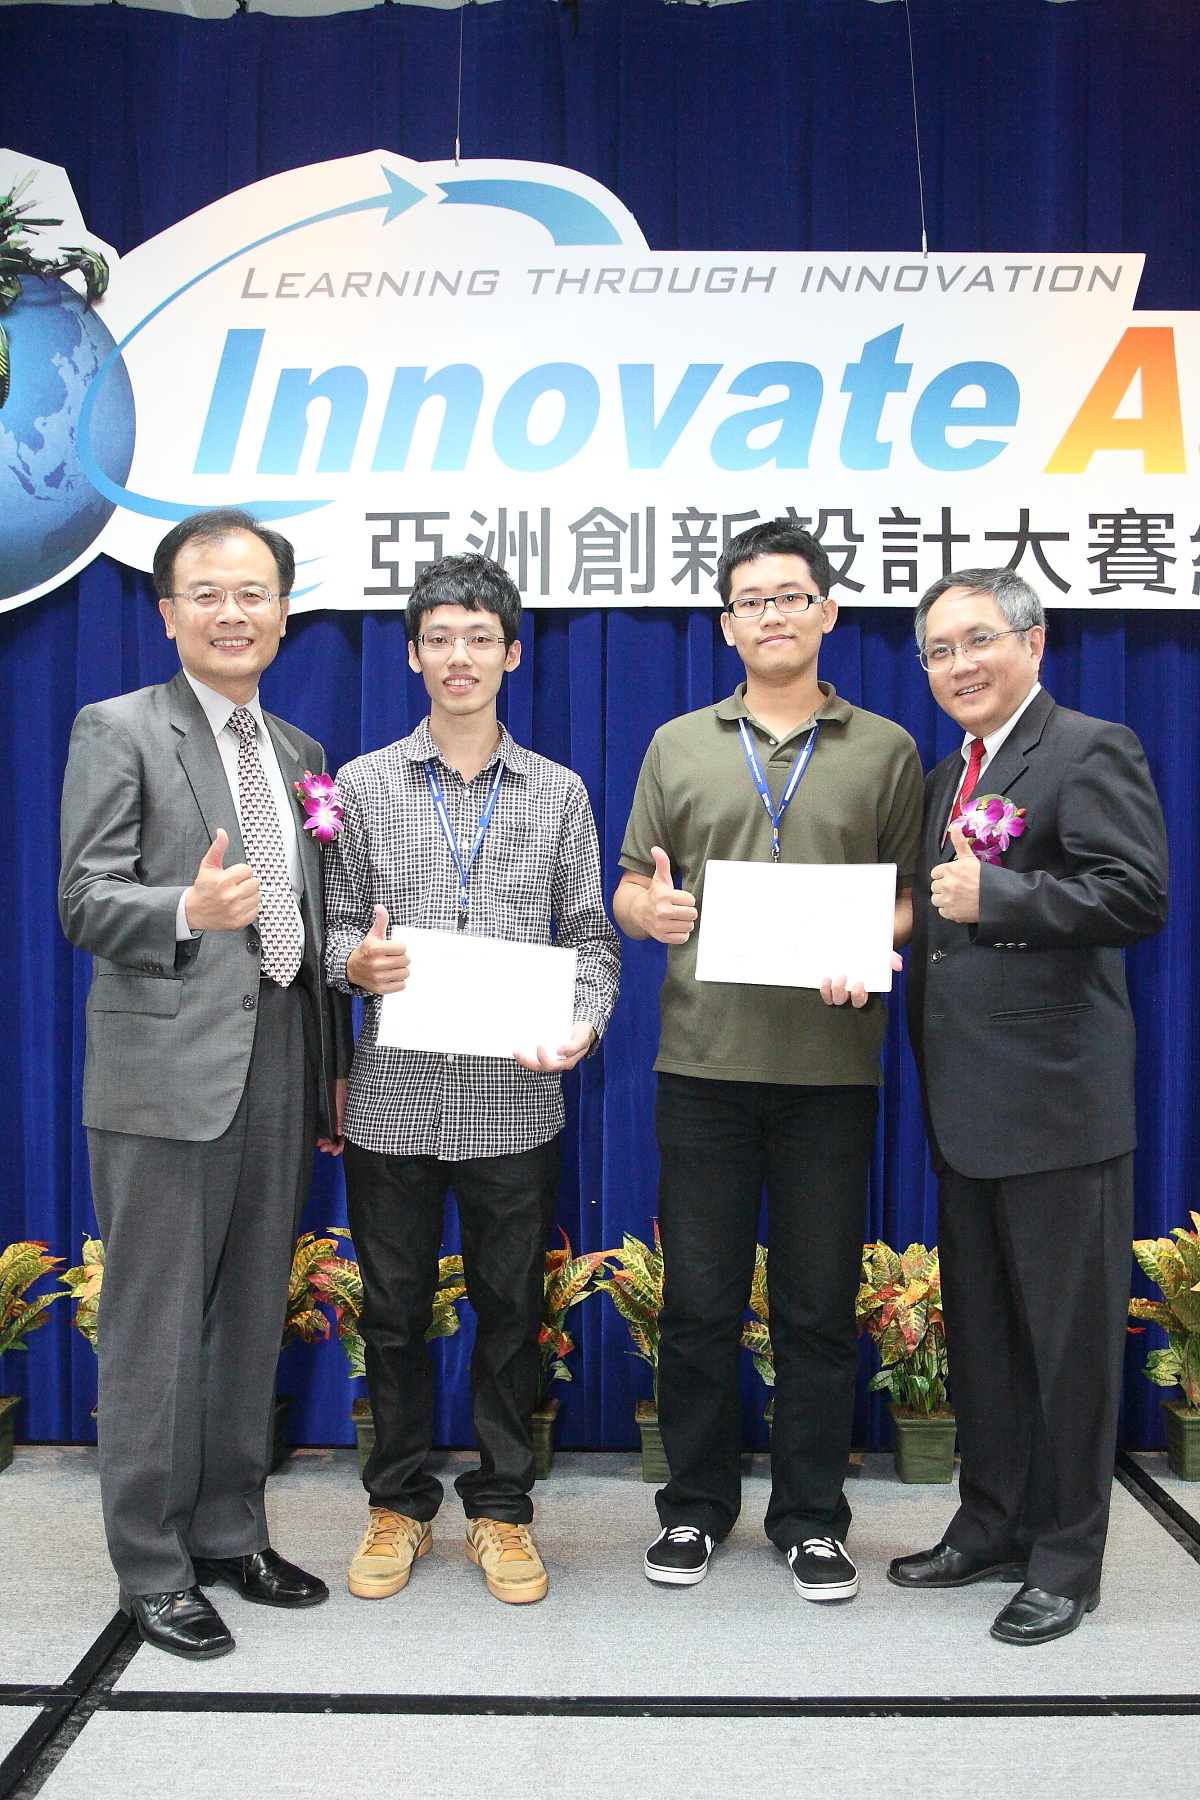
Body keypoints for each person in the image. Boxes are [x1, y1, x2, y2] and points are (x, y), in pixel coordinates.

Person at [59, 508, 350, 1660]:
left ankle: (231, 1531)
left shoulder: (302, 754)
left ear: (284, 611)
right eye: (208, 593)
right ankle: (152, 1564)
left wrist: (331, 1064)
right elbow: (83, 898)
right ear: (169, 611)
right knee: (156, 1324)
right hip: (167, 1070)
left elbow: (311, 921)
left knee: (249, 1316)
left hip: (281, 1056)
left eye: (253, 593)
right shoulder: (118, 728)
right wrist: (186, 905)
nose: (233, 613)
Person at [613, 518, 922, 1601]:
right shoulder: (678, 742)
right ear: (727, 625)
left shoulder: (886, 748)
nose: (773, 615)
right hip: (703, 1066)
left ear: (827, 613)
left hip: (830, 1069)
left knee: (817, 1309)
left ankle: (811, 1519)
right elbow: (630, 885)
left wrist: (868, 947)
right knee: (698, 1304)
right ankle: (694, 1510)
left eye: (792, 596)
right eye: (753, 601)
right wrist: (650, 911)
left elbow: (911, 899)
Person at [324, 553, 619, 1608]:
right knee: (393, 1314)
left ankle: (501, 1509)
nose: (460, 656)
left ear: (511, 655)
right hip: (392, 1101)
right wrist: (353, 964)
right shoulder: (360, 786)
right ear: (413, 655)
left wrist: (584, 1023)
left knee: (510, 1314)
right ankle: (397, 1503)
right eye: (440, 638)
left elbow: (593, 940)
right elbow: (324, 933)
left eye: (480, 638)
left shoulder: (559, 793)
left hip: (515, 1102)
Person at [893, 566, 1168, 1645]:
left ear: (1033, 640)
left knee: (1068, 1346)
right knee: (988, 1339)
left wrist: (997, 895)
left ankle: (1067, 1561)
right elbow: (934, 920)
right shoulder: (944, 775)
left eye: (977, 641)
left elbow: (1136, 893)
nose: (958, 665)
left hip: (1058, 1108)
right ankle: (992, 1523)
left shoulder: (1090, 748)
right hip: (966, 1106)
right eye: (939, 651)